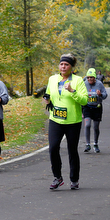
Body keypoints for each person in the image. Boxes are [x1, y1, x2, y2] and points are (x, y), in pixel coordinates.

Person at [43, 53, 88, 190]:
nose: (63, 66)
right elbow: (49, 93)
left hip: (72, 121)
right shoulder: (52, 79)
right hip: (56, 119)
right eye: (61, 64)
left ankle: (74, 179)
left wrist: (72, 91)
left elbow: (84, 100)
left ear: (71, 67)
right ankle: (57, 177)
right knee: (53, 148)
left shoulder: (78, 80)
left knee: (72, 150)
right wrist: (47, 99)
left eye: (66, 64)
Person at [82, 68, 107, 153]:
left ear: (95, 77)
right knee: (87, 125)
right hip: (87, 107)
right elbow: (81, 95)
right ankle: (87, 144)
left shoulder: (99, 84)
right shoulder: (84, 84)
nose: (89, 79)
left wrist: (100, 94)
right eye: (88, 77)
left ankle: (95, 144)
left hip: (97, 107)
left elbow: (105, 95)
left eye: (91, 77)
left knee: (96, 127)